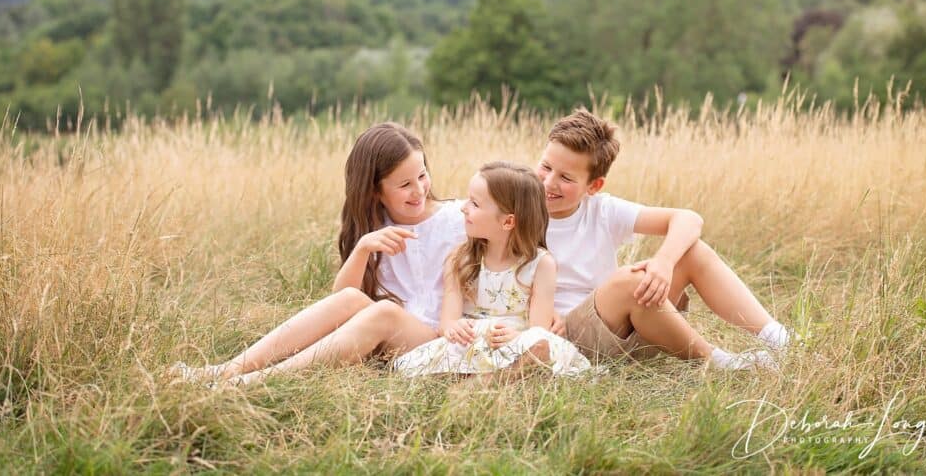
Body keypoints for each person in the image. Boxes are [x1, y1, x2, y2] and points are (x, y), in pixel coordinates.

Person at [170, 122, 467, 386]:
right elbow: (340, 302)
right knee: (354, 300)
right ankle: (226, 370)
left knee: (386, 313)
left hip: (441, 341)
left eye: (422, 176)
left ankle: (253, 382)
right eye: (404, 185)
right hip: (390, 342)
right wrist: (363, 247)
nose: (419, 190)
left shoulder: (458, 219)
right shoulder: (378, 231)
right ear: (376, 191)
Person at [539, 109, 790, 369]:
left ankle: (781, 340)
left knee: (694, 252)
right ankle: (720, 364)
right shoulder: (517, 208)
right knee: (632, 280)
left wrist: (664, 263)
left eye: (566, 177)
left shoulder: (601, 210)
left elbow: (688, 219)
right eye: (546, 167)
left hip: (622, 328)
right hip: (566, 338)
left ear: (594, 186)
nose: (549, 182)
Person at [393, 161, 590, 377]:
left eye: (475, 204)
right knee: (450, 353)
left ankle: (490, 379)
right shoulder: (460, 259)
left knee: (541, 345)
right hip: (471, 341)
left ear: (507, 222)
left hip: (513, 342)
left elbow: (538, 329)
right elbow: (447, 322)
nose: (463, 207)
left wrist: (516, 337)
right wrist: (453, 328)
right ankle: (489, 378)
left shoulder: (541, 264)